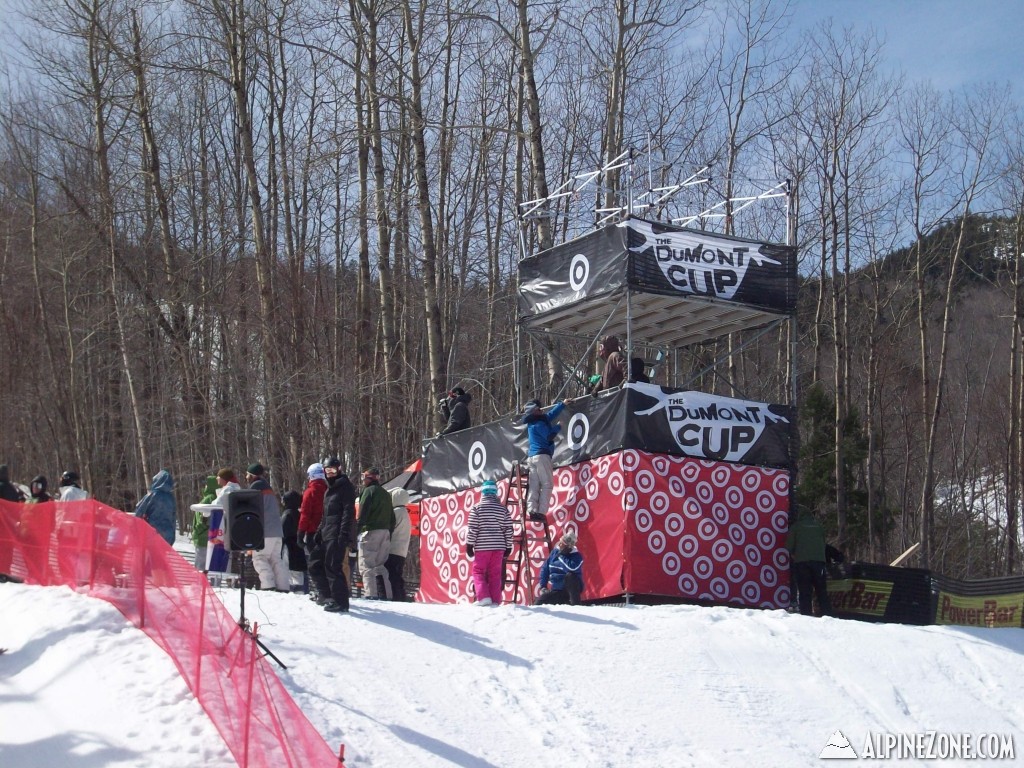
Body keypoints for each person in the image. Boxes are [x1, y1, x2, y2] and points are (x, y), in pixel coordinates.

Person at [311, 458, 357, 613]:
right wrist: (319, 531)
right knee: (315, 562)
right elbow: (325, 514)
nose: (330, 473)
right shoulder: (328, 489)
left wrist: (343, 534)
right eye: (327, 470)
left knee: (333, 566)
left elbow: (348, 512)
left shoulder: (345, 487)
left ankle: (341, 602)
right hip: (326, 532)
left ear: (339, 470)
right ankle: (326, 595)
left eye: (333, 470)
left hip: (337, 533)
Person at [465, 480, 512, 606]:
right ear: (496, 492)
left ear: (483, 492)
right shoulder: (503, 509)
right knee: (495, 574)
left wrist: (469, 545)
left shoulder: (477, 508)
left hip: (482, 546)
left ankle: (483, 596)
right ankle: (495, 600)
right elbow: (508, 529)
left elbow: (473, 528)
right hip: (499, 546)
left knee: (478, 571)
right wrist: (509, 546)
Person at [245, 463, 290, 592]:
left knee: (259, 558)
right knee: (276, 559)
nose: (246, 477)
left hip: (264, 531)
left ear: (252, 475)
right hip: (276, 531)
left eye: (247, 474)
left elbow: (250, 509)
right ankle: (283, 586)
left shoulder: (256, 487)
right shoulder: (268, 488)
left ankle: (268, 584)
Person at [521, 398, 568, 522]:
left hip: (532, 457)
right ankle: (541, 512)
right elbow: (549, 436)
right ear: (534, 412)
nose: (541, 410)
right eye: (538, 409)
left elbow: (550, 415)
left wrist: (562, 404)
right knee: (547, 484)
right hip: (542, 456)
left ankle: (532, 510)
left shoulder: (534, 422)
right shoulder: (539, 424)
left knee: (534, 485)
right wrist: (558, 426)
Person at [786, 506, 833, 617]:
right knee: (821, 591)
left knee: (805, 591)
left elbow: (788, 546)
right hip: (819, 562)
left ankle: (806, 615)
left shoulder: (796, 527)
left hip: (802, 562)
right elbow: (823, 543)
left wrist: (794, 555)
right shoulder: (819, 527)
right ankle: (827, 614)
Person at [356, 467, 395, 599]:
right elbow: (392, 518)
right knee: (380, 566)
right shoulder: (385, 493)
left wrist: (356, 531)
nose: (363, 481)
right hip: (385, 533)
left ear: (369, 478)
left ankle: (370, 595)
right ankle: (386, 595)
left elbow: (362, 514)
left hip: (370, 531)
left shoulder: (368, 491)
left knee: (366, 565)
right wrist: (389, 532)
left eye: (364, 477)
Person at [298, 463, 328, 601]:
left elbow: (305, 514)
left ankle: (323, 593)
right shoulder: (329, 490)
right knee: (327, 564)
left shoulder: (310, 492)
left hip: (313, 533)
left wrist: (300, 533)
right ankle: (328, 592)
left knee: (315, 564)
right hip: (328, 532)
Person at [536, 531, 584, 606]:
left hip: (570, 590)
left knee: (570, 576)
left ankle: (575, 605)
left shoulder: (576, 556)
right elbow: (545, 569)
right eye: (560, 542)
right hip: (557, 590)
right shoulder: (555, 552)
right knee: (540, 602)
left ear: (568, 547)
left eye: (563, 544)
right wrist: (543, 586)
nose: (560, 544)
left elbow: (572, 568)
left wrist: (562, 556)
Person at [133, 469, 176, 546]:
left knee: (150, 556)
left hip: (152, 533)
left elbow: (139, 510)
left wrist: (136, 528)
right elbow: (173, 518)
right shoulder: (171, 498)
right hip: (167, 535)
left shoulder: (152, 495)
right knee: (161, 557)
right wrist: (172, 536)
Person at [386, 488, 412, 602]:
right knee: (397, 574)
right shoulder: (405, 512)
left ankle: (396, 597)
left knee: (392, 575)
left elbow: (389, 529)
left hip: (393, 548)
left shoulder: (396, 512)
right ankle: (400, 595)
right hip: (402, 550)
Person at [280, 489, 306, 591]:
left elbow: (283, 532)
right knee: (298, 571)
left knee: (288, 570)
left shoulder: (287, 514)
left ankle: (290, 589)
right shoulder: (299, 514)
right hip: (298, 545)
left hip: (288, 545)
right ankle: (301, 589)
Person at [190, 475, 218, 571]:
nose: (205, 486)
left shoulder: (209, 499)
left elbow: (203, 519)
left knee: (200, 568)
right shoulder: (216, 498)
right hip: (211, 538)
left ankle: (200, 585)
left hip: (203, 538)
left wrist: (197, 531)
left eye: (206, 484)